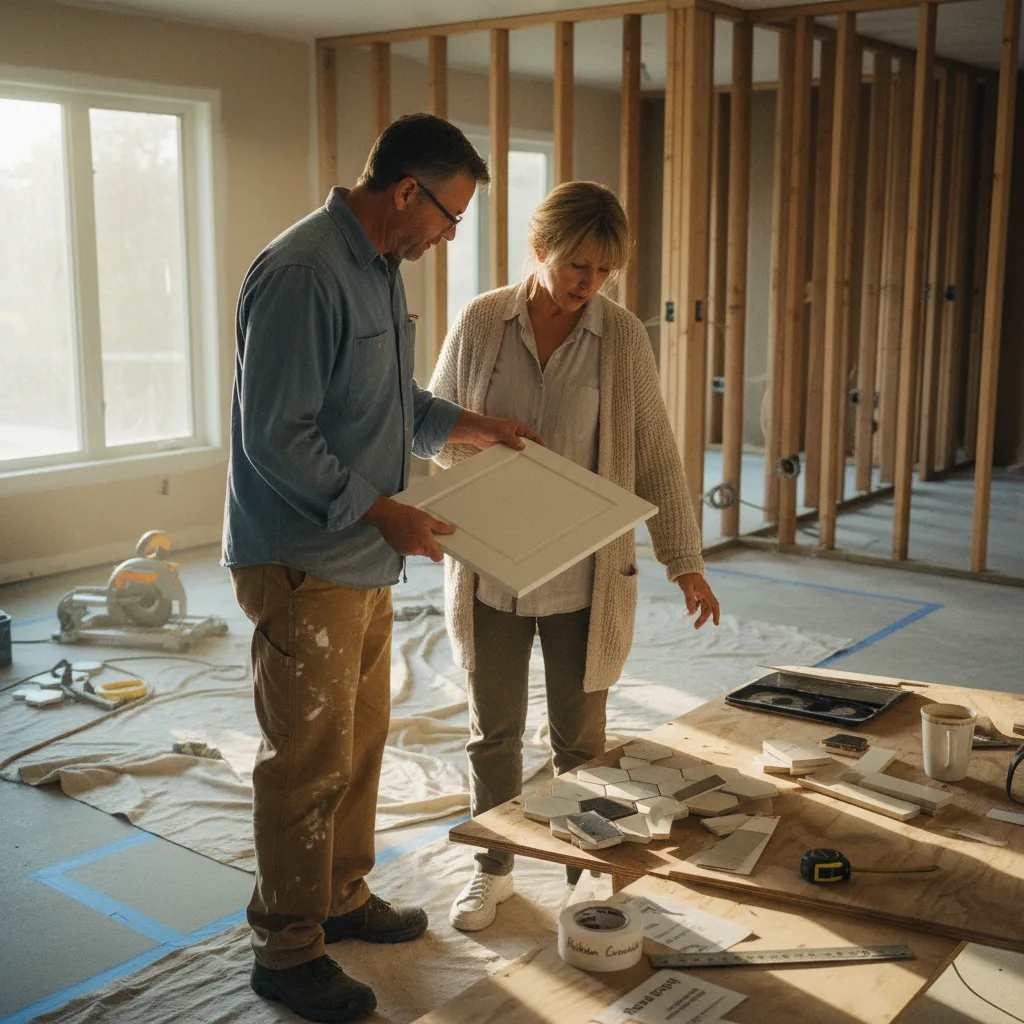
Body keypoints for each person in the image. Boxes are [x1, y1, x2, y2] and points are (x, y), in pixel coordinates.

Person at [223, 114, 542, 1024]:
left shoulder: (377, 271)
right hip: (303, 557)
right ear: (407, 191)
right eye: (448, 216)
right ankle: (286, 949)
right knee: (305, 755)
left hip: (362, 557)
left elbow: (388, 402)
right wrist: (387, 512)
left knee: (358, 744)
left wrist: (468, 428)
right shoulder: (302, 272)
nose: (448, 237)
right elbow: (276, 435)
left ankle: (341, 896)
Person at [428, 180, 721, 933]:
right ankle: (491, 865)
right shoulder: (482, 320)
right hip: (492, 570)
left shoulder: (621, 337)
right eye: (575, 267)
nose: (587, 285)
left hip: (584, 579)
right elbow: (427, 428)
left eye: (603, 272)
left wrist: (683, 559)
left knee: (579, 743)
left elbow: (654, 453)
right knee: (492, 733)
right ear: (540, 251)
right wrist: (469, 452)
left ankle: (582, 872)